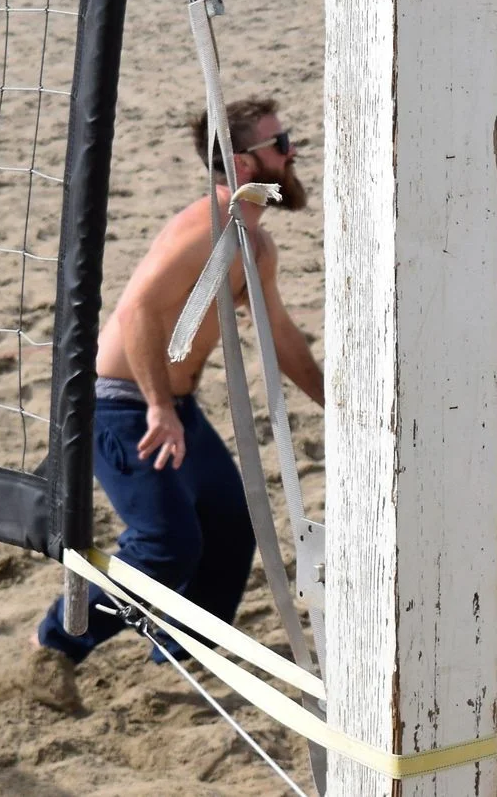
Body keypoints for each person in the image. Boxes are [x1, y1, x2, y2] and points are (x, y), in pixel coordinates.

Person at [28, 99, 322, 713]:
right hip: (119, 405)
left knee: (231, 530)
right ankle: (52, 647)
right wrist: (159, 409)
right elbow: (138, 311)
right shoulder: (208, 227)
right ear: (245, 163)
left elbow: (280, 335)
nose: (292, 152)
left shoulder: (254, 244)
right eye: (280, 143)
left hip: (171, 404)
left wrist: (336, 408)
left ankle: (177, 658)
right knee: (167, 544)